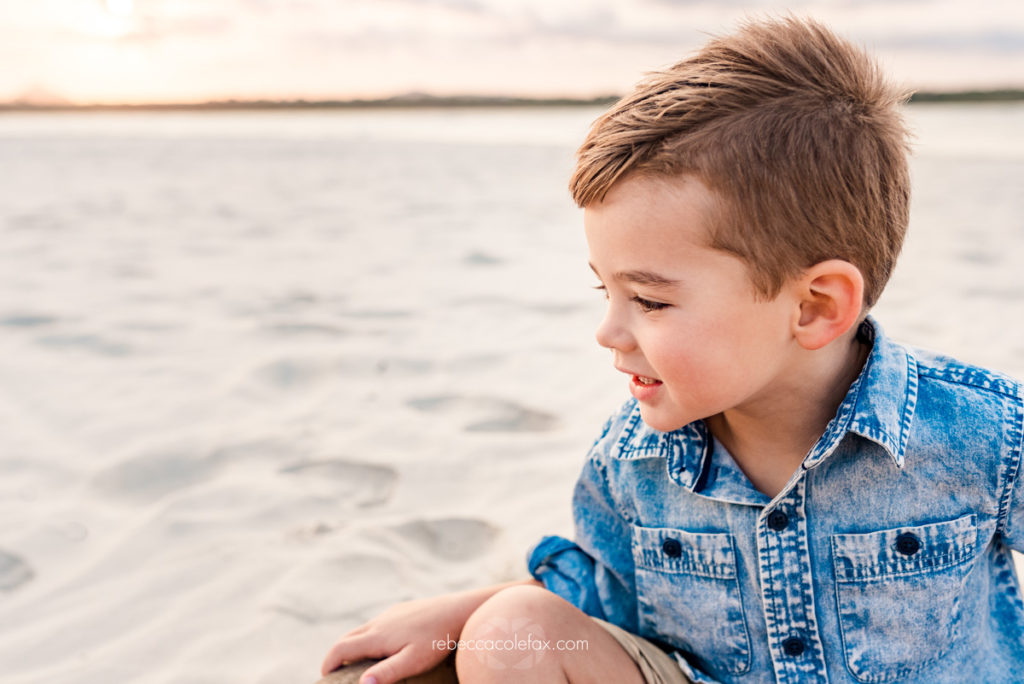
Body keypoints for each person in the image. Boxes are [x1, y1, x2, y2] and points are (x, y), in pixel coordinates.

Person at [320, 16, 1024, 684]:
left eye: (650, 301)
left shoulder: (976, 432)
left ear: (813, 307)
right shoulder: (631, 460)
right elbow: (598, 601)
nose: (609, 332)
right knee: (512, 631)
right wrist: (464, 614)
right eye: (607, 292)